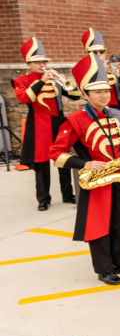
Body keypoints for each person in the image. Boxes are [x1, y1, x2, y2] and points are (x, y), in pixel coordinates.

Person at [49, 53, 120, 285]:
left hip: (118, 177)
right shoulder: (75, 120)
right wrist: (85, 163)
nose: (104, 95)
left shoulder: (114, 115)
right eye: (97, 92)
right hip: (96, 180)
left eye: (106, 91)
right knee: (99, 225)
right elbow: (55, 153)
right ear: (84, 94)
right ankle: (104, 269)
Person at [12, 37, 78, 211]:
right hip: (39, 125)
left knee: (63, 160)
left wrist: (68, 83)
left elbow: (75, 96)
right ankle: (43, 199)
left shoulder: (54, 78)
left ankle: (68, 194)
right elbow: (24, 98)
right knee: (42, 165)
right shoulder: (22, 80)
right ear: (29, 64)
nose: (42, 65)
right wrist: (42, 81)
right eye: (38, 62)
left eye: (44, 62)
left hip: (59, 123)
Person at [81, 28, 120, 195]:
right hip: (102, 114)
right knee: (109, 147)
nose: (99, 54)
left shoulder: (111, 69)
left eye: (102, 51)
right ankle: (111, 179)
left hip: (119, 111)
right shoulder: (87, 70)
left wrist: (119, 72)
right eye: (95, 52)